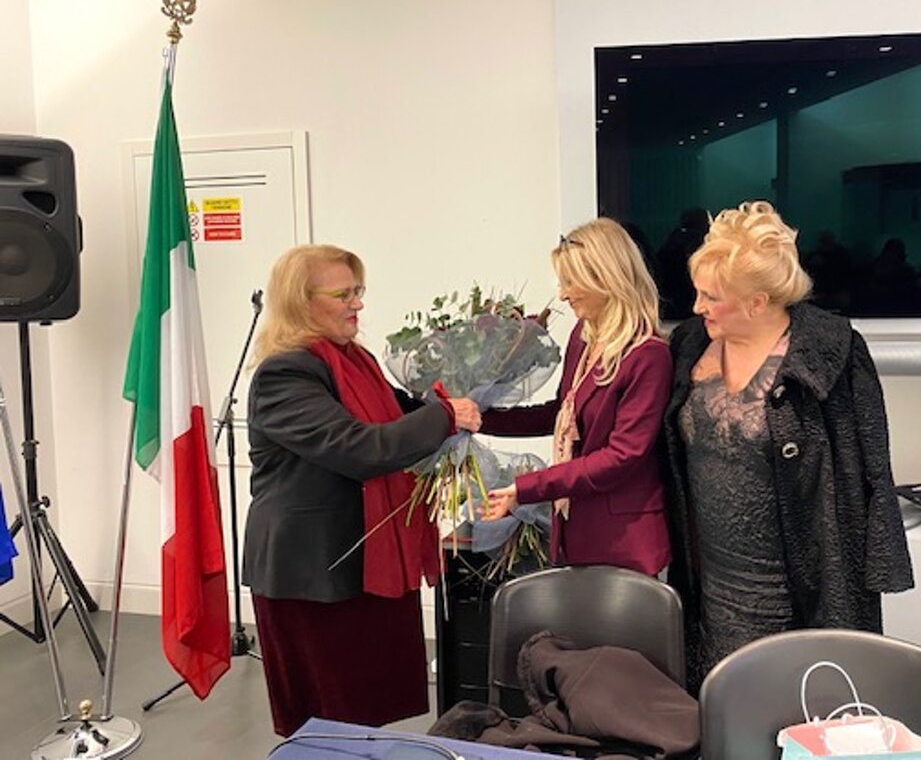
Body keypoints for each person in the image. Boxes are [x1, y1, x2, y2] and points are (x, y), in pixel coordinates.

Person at [661, 201, 913, 690]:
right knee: (714, 706)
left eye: (711, 297)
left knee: (798, 706)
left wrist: (881, 568)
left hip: (798, 589)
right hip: (708, 586)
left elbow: (872, 467)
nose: (696, 307)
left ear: (757, 302)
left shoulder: (832, 351)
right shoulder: (689, 344)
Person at [242, 244, 481, 736]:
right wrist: (444, 416)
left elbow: (400, 418)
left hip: (364, 562)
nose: (358, 304)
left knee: (366, 713)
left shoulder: (356, 361)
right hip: (313, 576)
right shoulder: (285, 375)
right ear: (301, 302)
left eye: (359, 291)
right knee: (327, 724)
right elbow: (360, 448)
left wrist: (458, 395)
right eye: (343, 294)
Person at [479, 218, 672, 576]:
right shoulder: (583, 336)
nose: (563, 295)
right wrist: (480, 418)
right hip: (575, 528)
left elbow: (622, 456)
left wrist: (527, 488)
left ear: (606, 278)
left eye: (571, 282)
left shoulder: (649, 355)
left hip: (624, 541)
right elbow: (560, 413)